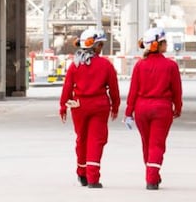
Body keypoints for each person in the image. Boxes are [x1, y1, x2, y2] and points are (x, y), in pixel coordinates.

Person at [59, 28, 120, 189]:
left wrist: (63, 106)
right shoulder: (106, 65)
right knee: (96, 140)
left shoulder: (75, 65)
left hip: (79, 106)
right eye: (101, 44)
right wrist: (115, 106)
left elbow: (67, 87)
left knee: (82, 139)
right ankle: (93, 178)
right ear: (96, 46)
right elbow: (114, 88)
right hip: (99, 106)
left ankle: (82, 173)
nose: (102, 48)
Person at [125, 27, 183, 190]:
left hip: (141, 109)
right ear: (158, 45)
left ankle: (153, 175)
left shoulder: (139, 65)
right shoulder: (170, 65)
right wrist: (178, 107)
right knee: (157, 145)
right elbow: (177, 90)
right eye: (165, 41)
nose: (167, 44)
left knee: (147, 143)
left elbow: (133, 91)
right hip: (162, 109)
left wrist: (129, 113)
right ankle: (151, 179)